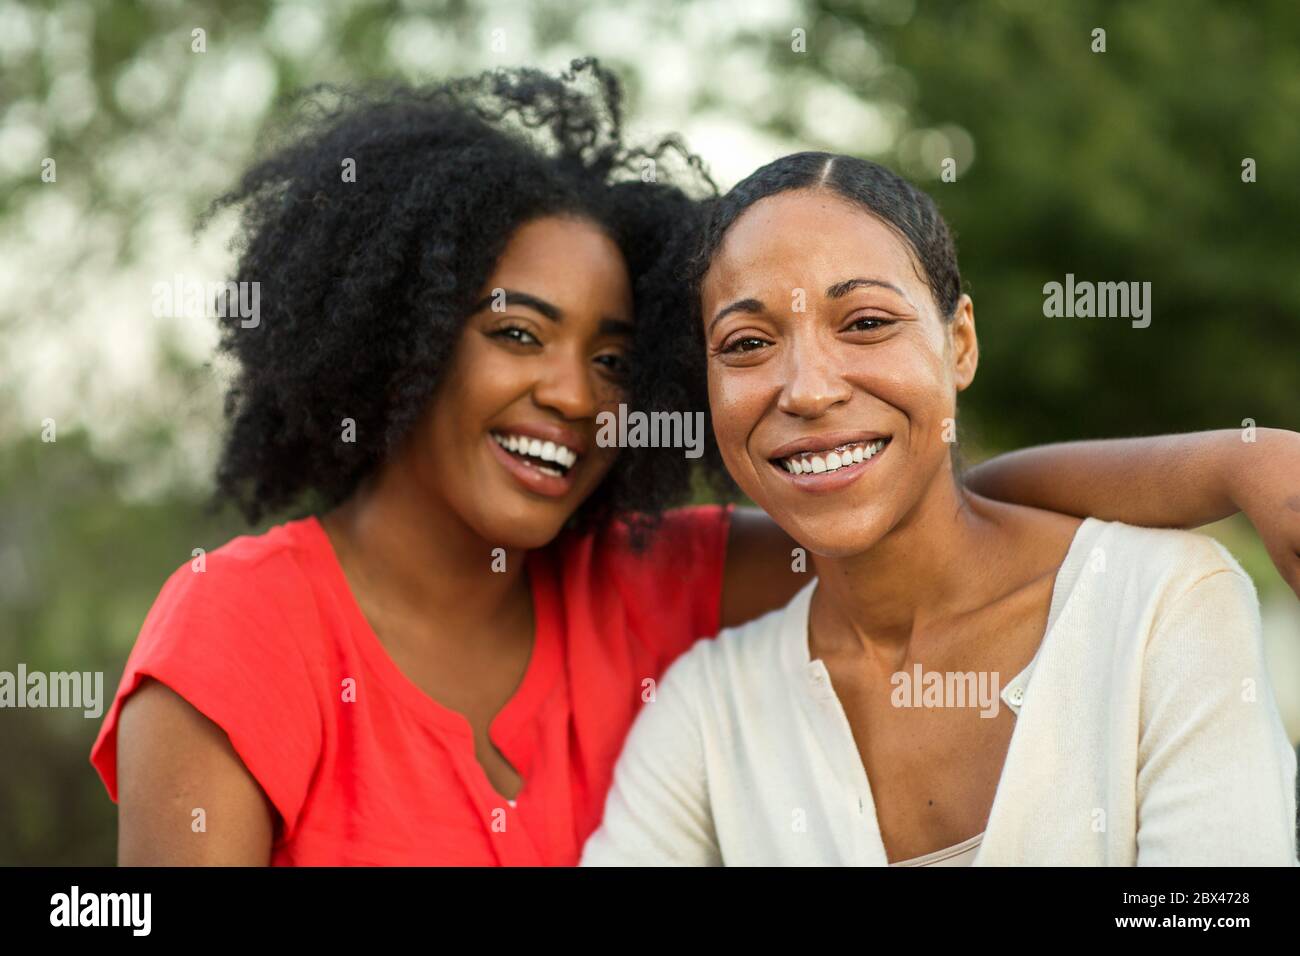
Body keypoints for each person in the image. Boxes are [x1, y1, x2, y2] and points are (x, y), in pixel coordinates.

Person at [92, 64, 1299, 864]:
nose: (571, 393)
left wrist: (1234, 462)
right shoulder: (243, 624)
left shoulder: (649, 580)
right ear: (396, 341)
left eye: (617, 360)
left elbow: (930, 509)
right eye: (515, 332)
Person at [581, 152, 1299, 866]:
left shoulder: (1160, 605)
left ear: (959, 343)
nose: (806, 390)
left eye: (863, 322)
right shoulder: (710, 709)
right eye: (747, 343)